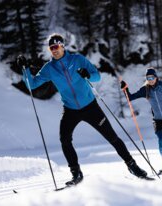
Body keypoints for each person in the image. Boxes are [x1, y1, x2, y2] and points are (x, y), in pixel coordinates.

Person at [17, 33, 148, 186]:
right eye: (52, 48)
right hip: (70, 110)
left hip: (91, 107)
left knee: (112, 137)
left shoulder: (77, 59)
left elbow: (96, 76)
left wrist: (88, 75)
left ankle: (132, 166)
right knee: (65, 140)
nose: (55, 50)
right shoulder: (49, 68)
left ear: (63, 46)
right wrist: (25, 69)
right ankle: (76, 173)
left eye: (57, 46)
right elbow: (32, 85)